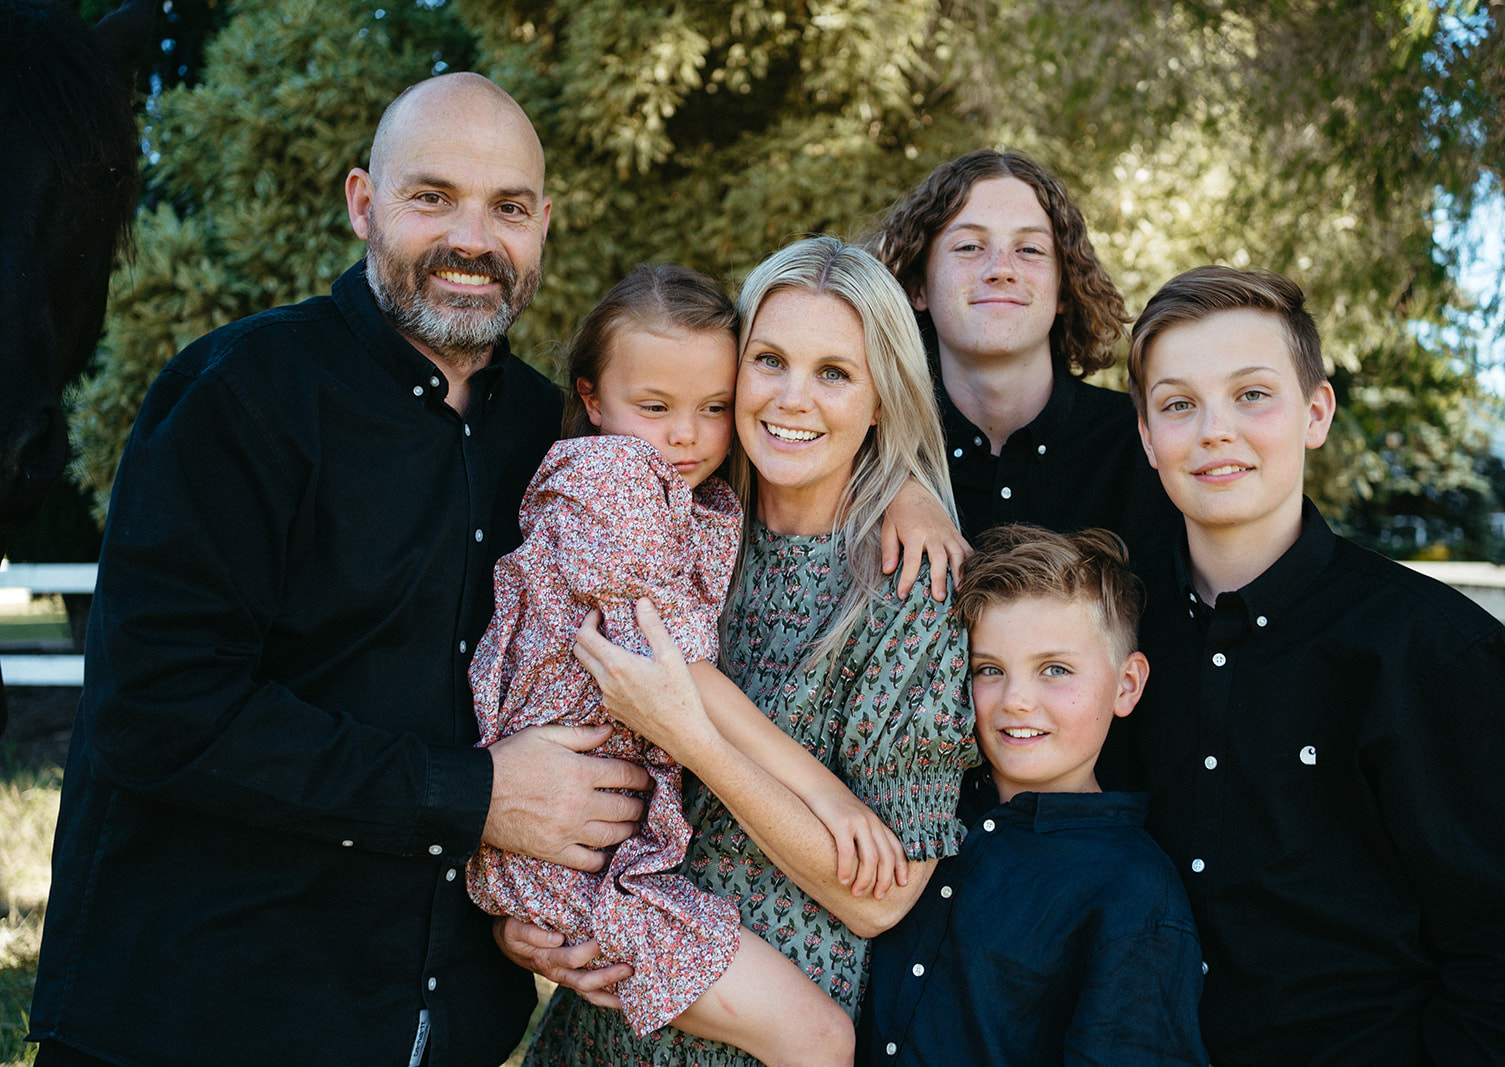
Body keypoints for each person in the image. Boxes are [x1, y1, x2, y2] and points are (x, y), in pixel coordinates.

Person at [27, 74, 660, 1067]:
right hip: (192, 1020)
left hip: (437, 1031)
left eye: (509, 207)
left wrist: (538, 914)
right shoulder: (239, 394)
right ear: (363, 202)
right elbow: (161, 707)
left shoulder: (554, 442)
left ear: (546, 224)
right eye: (431, 196)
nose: (472, 238)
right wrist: (472, 793)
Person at [507, 236, 981, 1066]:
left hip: (765, 1034)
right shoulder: (691, 525)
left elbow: (881, 900)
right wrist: (538, 916)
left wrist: (696, 739)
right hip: (612, 1012)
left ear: (880, 398)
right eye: (770, 360)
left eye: (836, 372)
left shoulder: (908, 584)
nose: (794, 397)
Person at [1118, 264, 1505, 1064]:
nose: (1215, 429)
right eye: (1177, 404)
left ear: (1316, 411)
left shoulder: (1432, 648)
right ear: (1146, 437)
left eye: (1253, 394)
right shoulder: (1113, 640)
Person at [860, 523, 1208, 1066]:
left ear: (1127, 685)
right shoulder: (922, 807)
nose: (1017, 700)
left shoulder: (1134, 896)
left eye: (1055, 670)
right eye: (989, 670)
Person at [866, 149, 1175, 542]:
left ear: (1065, 288)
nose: (1000, 270)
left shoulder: (1143, 446)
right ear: (918, 286)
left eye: (1029, 250)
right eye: (969, 247)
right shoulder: (870, 452)